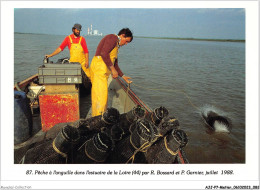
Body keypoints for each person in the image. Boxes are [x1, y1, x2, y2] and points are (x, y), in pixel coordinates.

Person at [90, 28, 133, 117]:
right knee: (100, 97)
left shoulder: (116, 45)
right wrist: (113, 70)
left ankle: (100, 116)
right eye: (126, 41)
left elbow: (115, 64)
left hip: (103, 73)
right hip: (98, 70)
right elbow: (104, 53)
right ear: (122, 35)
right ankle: (97, 118)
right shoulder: (112, 38)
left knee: (102, 96)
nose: (126, 44)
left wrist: (123, 76)